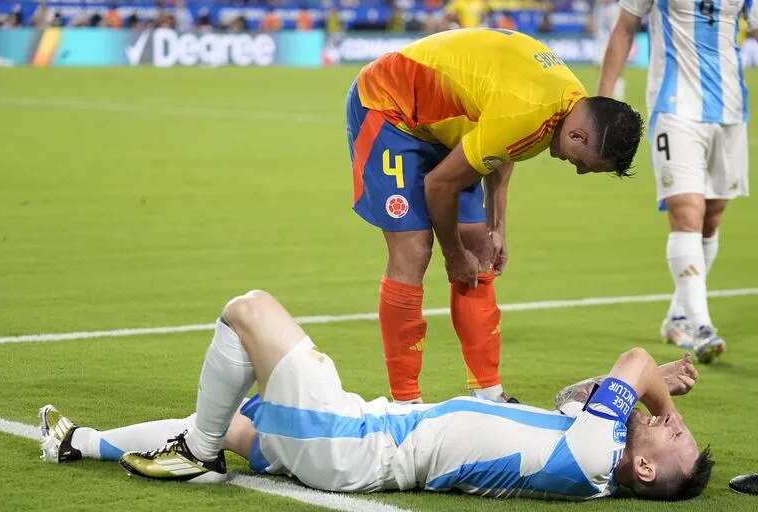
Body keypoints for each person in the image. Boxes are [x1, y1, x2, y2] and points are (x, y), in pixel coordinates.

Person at [40, 290, 712, 500]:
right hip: (361, 437)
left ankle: (198, 452)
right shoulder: (588, 444)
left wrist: (660, 399)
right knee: (237, 422)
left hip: (359, 445)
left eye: (674, 436)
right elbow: (580, 392)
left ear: (645, 468)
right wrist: (644, 392)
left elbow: (631, 362)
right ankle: (79, 443)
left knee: (247, 310)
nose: (674, 425)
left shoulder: (596, 458)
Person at [345, 28, 643, 404]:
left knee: (481, 249)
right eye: (587, 165)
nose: (579, 171)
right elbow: (439, 185)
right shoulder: (529, 112)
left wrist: (496, 227)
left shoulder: (570, 103)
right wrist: (453, 257)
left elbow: (505, 151)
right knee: (414, 250)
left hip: (449, 123)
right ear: (580, 137)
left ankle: (489, 394)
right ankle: (406, 405)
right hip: (389, 108)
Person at [597, 1, 757, 364]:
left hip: (731, 110)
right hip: (675, 107)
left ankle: (679, 315)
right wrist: (604, 102)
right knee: (688, 210)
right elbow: (624, 27)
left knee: (712, 215)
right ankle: (701, 327)